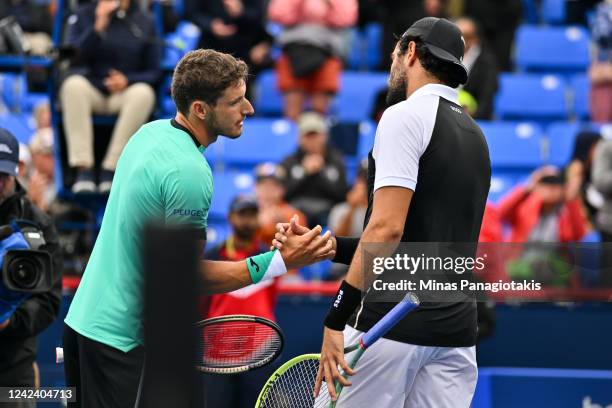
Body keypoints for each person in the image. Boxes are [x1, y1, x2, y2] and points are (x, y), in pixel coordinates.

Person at [62, 49, 334, 408]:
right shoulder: (189, 172)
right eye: (235, 102)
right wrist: (279, 262)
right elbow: (184, 275)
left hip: (82, 321)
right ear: (201, 110)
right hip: (120, 342)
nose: (249, 109)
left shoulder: (150, 133)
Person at [275, 17, 490, 407]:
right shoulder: (477, 135)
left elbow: (388, 230)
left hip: (391, 324)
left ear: (410, 52)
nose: (392, 61)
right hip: (457, 333)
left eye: (395, 51)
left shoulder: (403, 116)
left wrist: (336, 318)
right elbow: (423, 243)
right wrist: (330, 247)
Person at [60, 0, 161, 194]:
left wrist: (128, 80)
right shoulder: (83, 15)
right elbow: (71, 61)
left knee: (144, 93)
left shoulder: (145, 20)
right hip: (92, 89)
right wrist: (98, 26)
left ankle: (112, 169)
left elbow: (154, 71)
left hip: (125, 93)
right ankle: (84, 169)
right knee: (72, 86)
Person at [0, 128, 63, 406]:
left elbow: (48, 300)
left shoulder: (37, 223)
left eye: (2, 176)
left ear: (17, 170)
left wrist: (11, 321)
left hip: (14, 364)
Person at [202, 195, 277, 408]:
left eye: (252, 215)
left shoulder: (270, 256)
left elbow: (271, 300)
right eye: (243, 214)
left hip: (259, 356)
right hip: (217, 357)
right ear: (230, 217)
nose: (248, 221)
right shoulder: (213, 255)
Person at [268, 0, 358, 119]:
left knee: (320, 112)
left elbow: (347, 18)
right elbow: (278, 14)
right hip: (292, 54)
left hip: (327, 54)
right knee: (292, 112)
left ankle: (318, 136)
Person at [186, 0, 273, 100]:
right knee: (207, 89)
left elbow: (260, 16)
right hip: (211, 45)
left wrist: (241, 12)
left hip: (246, 48)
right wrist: (211, 25)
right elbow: (191, 13)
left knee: (241, 90)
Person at [280, 111, 348, 226]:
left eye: (315, 135)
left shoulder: (336, 159)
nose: (312, 140)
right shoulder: (290, 161)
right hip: (297, 210)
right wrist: (304, 173)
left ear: (324, 136)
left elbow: (342, 195)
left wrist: (320, 172)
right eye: (307, 136)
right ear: (299, 138)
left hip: (328, 209)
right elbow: (283, 194)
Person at [253, 162, 307, 246]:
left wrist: (281, 221)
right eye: (263, 184)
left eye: (274, 185)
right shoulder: (246, 212)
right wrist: (256, 223)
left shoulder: (294, 215)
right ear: (255, 187)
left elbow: (301, 244)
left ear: (283, 189)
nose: (268, 190)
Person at [456, 16, 498, 120]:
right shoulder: (443, 57)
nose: (461, 40)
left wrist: (473, 114)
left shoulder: (487, 63)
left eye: (466, 36)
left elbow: (487, 97)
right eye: (457, 36)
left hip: (473, 120)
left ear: (475, 38)